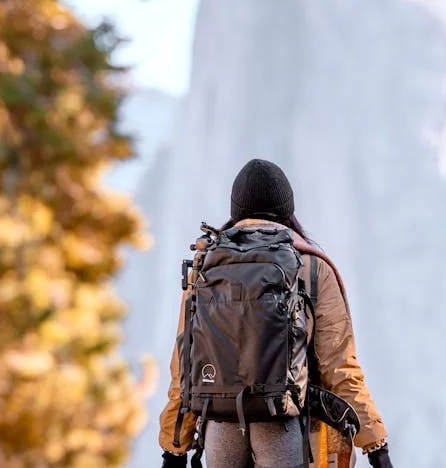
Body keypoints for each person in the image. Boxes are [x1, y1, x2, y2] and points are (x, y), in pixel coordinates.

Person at [158, 159, 393, 468]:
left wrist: (174, 448)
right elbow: (339, 366)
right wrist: (376, 446)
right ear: (287, 210)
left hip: (219, 428)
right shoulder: (311, 267)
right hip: (283, 426)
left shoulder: (207, 265)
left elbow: (185, 366)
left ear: (236, 211)